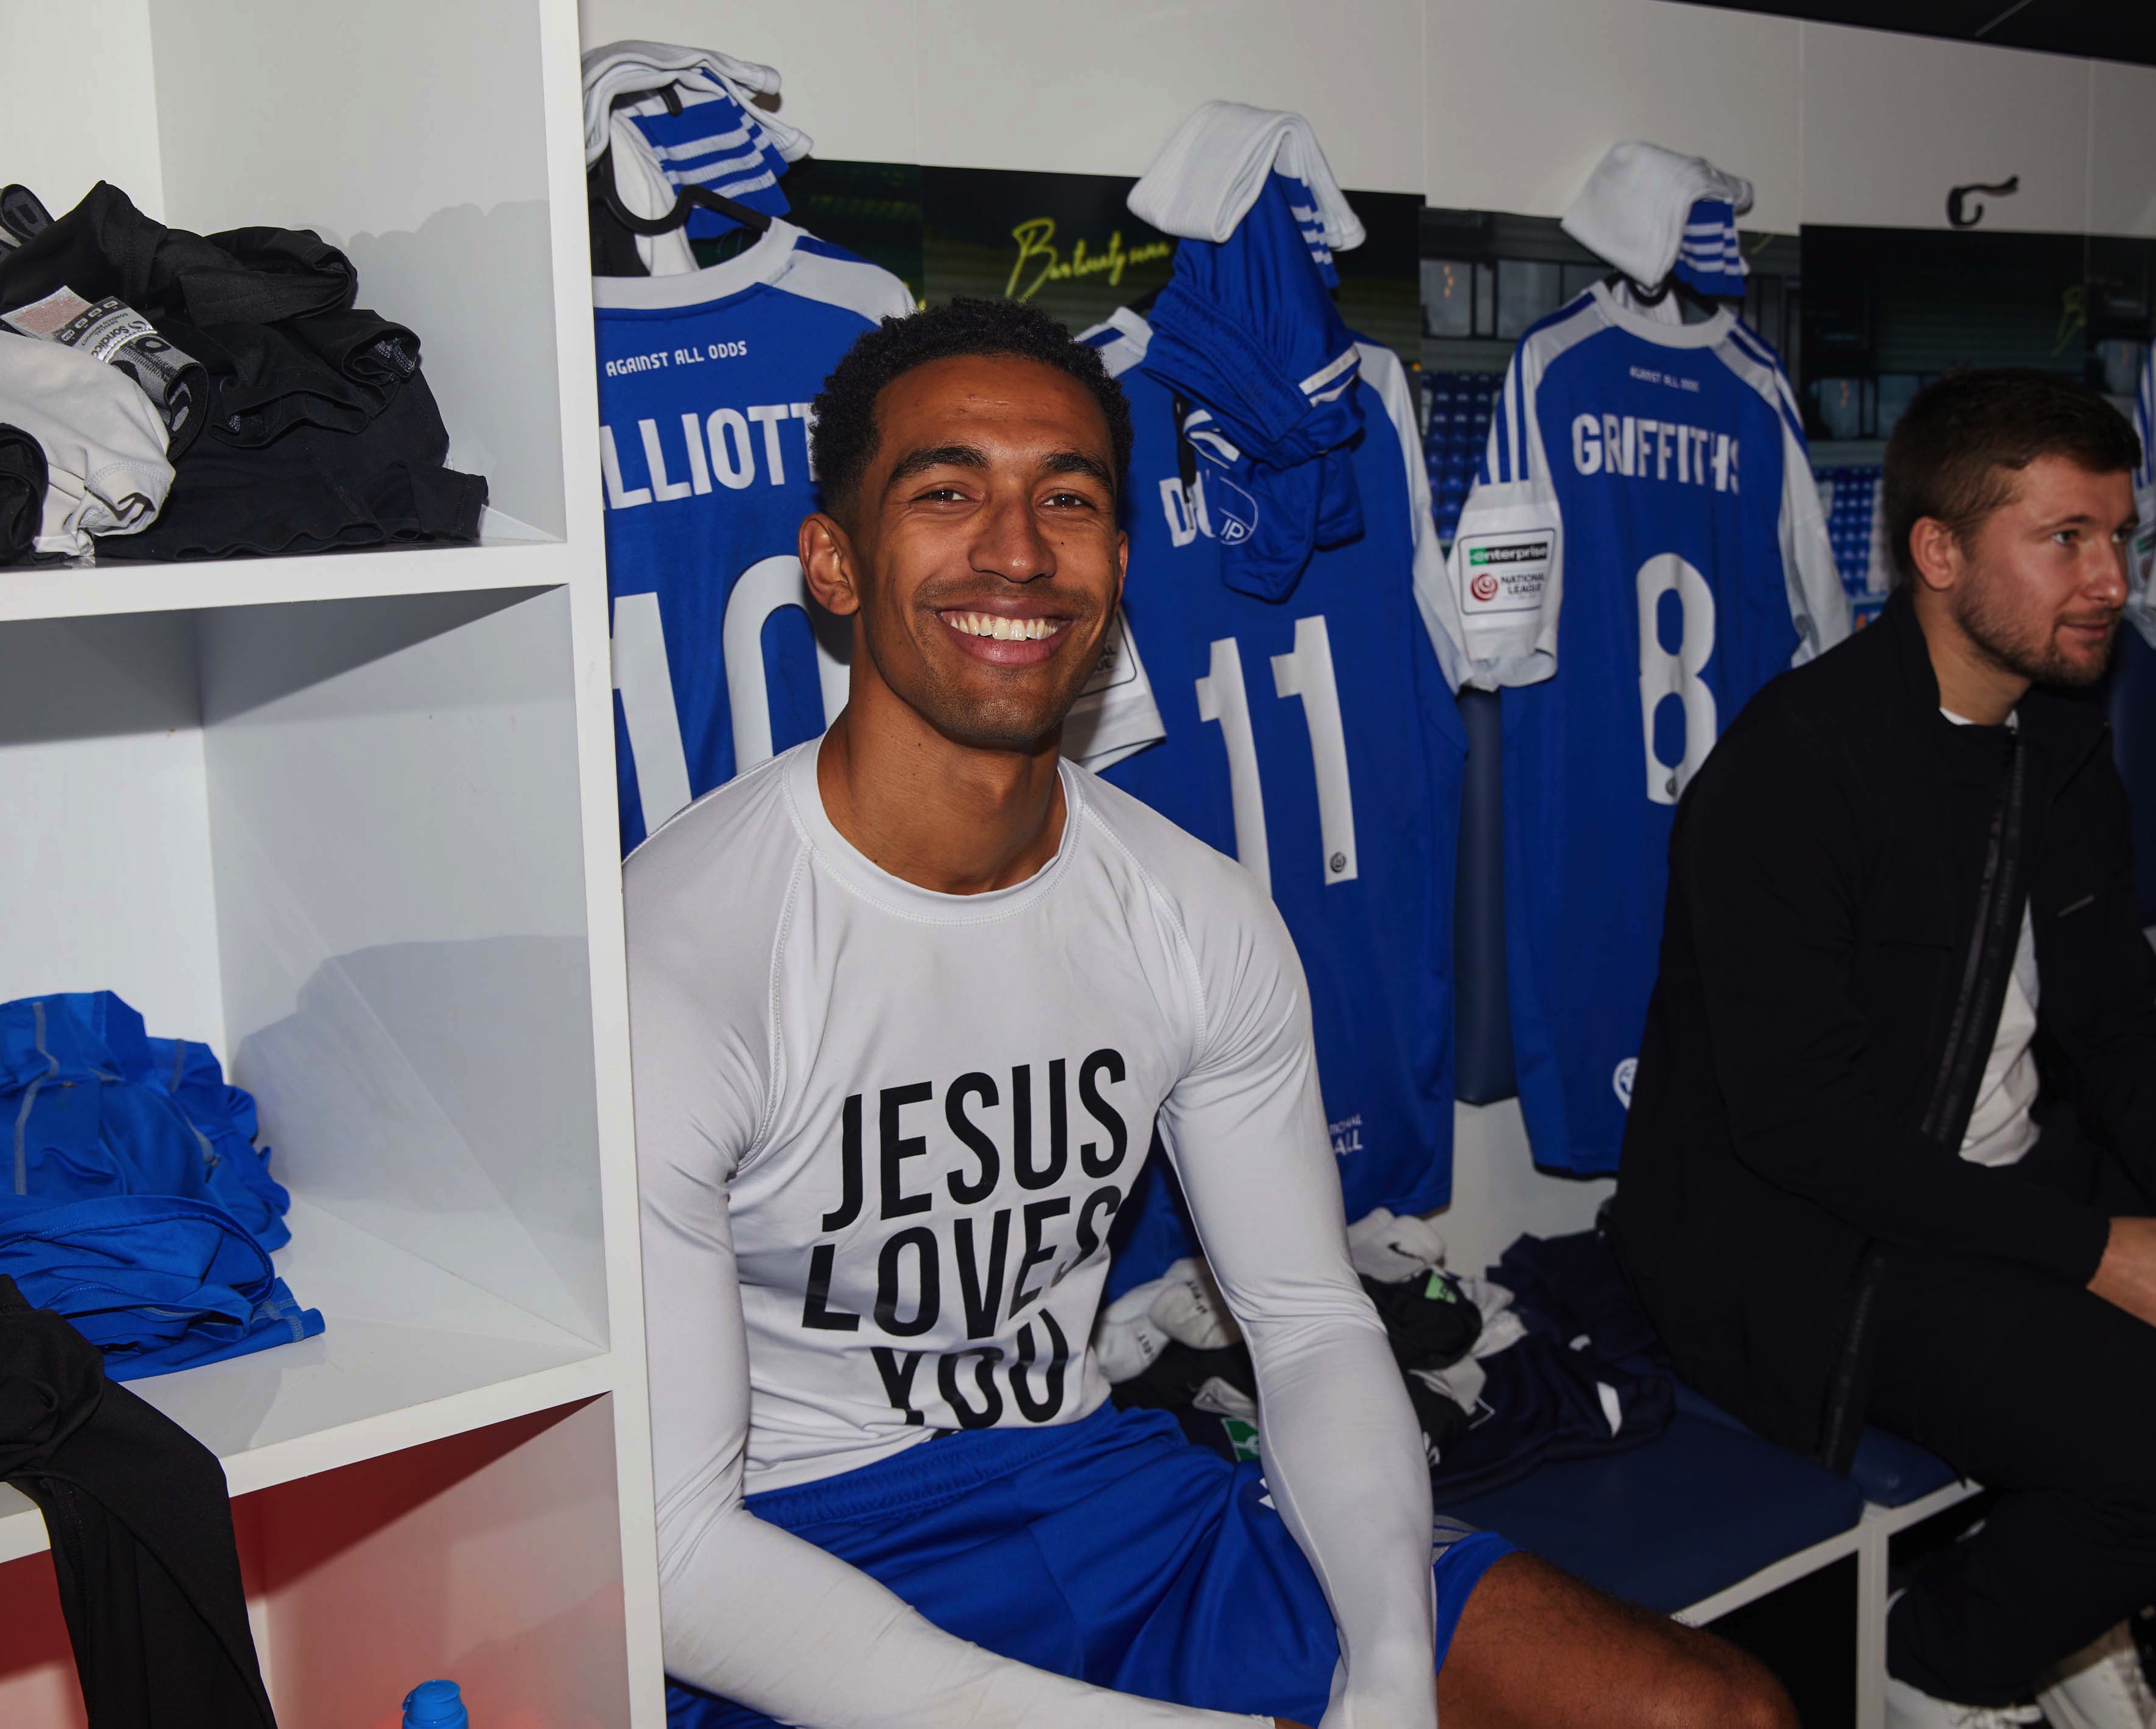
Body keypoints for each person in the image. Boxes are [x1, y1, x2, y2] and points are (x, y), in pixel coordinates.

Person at [627, 296, 1794, 1729]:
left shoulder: (1193, 908)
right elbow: (670, 1546)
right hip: (794, 1552)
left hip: (1098, 1490)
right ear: (834, 560)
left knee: (1706, 1712)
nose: (1016, 548)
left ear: (1117, 564)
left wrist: (1385, 1667)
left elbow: (1303, 1321)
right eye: (946, 493)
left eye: (1067, 498)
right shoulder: (679, 951)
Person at [1613, 368, 2156, 1729]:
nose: (2109, 579)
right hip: (1809, 1249)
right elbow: (1803, 1129)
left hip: (1997, 1191)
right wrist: (2100, 1251)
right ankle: (1939, 1664)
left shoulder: (2061, 737)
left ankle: (2059, 1607)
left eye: (2118, 536)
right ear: (1937, 552)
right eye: (2065, 538)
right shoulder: (1792, 768)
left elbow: (2114, 1026)